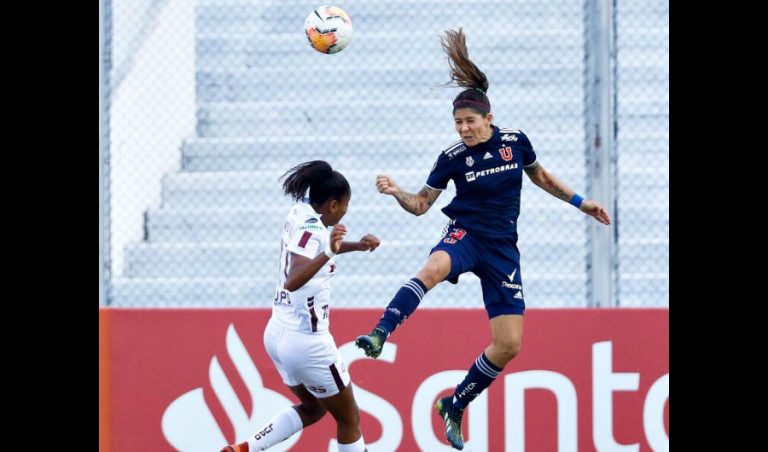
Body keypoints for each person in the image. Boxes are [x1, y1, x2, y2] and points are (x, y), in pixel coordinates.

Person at [354, 28, 611, 450]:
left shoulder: (515, 143)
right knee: (433, 267)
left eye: (470, 122)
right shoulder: (452, 158)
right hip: (466, 235)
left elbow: (541, 177)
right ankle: (381, 332)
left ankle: (454, 404)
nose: (463, 129)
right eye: (457, 123)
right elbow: (422, 205)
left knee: (509, 345)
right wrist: (396, 191)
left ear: (488, 119)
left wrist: (581, 202)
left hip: (501, 249)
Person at [223, 161, 380, 452]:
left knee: (313, 408)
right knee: (349, 419)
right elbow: (293, 279)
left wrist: (355, 245)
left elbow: (308, 248)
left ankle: (246, 447)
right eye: (345, 206)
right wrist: (330, 251)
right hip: (308, 343)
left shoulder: (299, 212)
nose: (345, 211)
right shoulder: (316, 230)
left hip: (277, 333)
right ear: (332, 205)